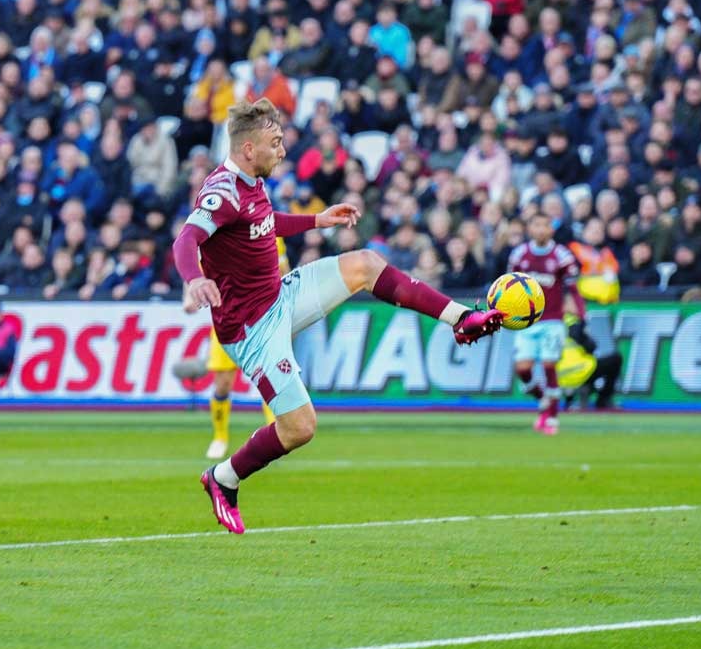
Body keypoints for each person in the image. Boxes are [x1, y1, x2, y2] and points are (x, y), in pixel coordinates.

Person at [179, 100, 504, 534]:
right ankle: (224, 478)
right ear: (249, 147)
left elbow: (262, 223)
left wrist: (317, 220)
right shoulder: (221, 191)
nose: (283, 151)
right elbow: (187, 237)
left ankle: (461, 318)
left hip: (279, 297)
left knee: (365, 263)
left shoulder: (252, 181)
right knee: (299, 427)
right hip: (251, 329)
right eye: (276, 144)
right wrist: (191, 279)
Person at [172, 238, 288, 459]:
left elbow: (283, 268)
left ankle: (277, 434)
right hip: (226, 321)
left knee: (269, 378)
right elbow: (195, 269)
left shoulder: (269, 232)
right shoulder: (214, 233)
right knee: (223, 383)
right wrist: (189, 298)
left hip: (262, 320)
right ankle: (220, 438)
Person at [508, 213, 587, 435]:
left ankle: (551, 417)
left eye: (545, 225)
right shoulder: (519, 255)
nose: (541, 229)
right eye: (536, 225)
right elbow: (508, 288)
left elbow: (573, 289)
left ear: (551, 229)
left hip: (553, 319)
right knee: (523, 369)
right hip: (526, 321)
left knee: (549, 365)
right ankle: (544, 400)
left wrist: (582, 316)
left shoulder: (562, 256)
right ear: (529, 228)